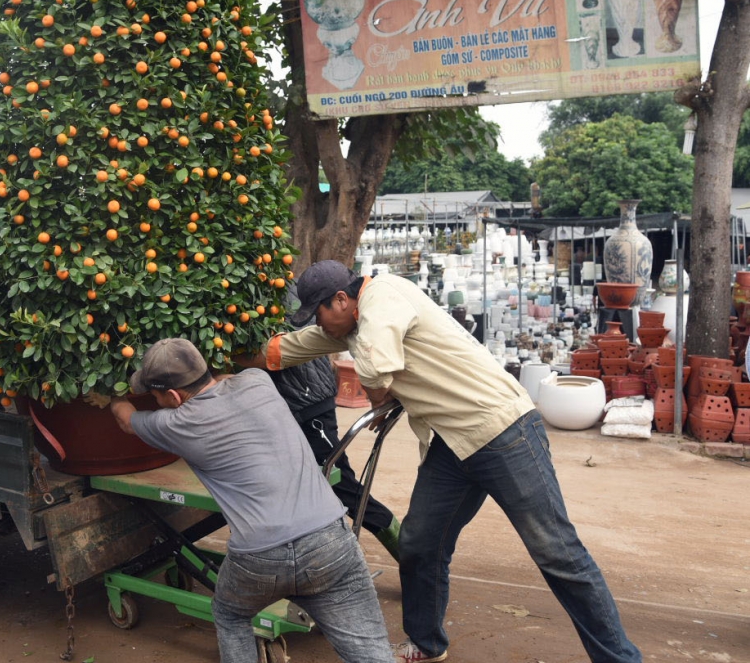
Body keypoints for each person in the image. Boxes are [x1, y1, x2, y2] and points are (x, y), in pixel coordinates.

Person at [239, 260, 642, 663]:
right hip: (453, 443)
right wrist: (220, 363)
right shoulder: (347, 324)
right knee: (420, 543)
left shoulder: (384, 297)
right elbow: (286, 349)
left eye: (320, 314)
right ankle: (426, 642)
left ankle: (619, 658)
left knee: (558, 554)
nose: (321, 325)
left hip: (504, 431)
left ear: (341, 299)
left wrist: (381, 400)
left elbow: (378, 369)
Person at [109, 338, 393, 663]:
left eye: (156, 395)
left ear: (173, 396)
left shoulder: (173, 423)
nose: (157, 402)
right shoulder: (258, 382)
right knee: (371, 655)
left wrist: (110, 393)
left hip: (259, 558)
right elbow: (231, 378)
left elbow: (125, 417)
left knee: (230, 614)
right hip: (329, 539)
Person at [269, 316, 401, 560]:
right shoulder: (283, 290)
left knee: (341, 484)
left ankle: (407, 549)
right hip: (300, 401)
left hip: (307, 404)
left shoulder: (269, 298)